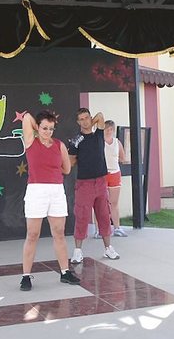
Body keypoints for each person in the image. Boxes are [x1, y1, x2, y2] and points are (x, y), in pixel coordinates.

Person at [19, 111, 80, 291]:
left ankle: (65, 272)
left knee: (59, 233)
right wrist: (37, 130)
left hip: (56, 191)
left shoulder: (59, 145)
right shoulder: (31, 141)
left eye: (51, 129)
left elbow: (66, 169)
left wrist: (52, 171)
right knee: (32, 234)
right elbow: (26, 117)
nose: (48, 132)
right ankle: (25, 276)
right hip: (36, 191)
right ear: (37, 127)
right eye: (44, 128)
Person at [68, 108, 120, 263]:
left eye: (86, 118)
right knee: (82, 216)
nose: (84, 121)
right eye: (81, 119)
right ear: (77, 122)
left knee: (104, 215)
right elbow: (71, 161)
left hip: (101, 182)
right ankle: (78, 251)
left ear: (90, 118)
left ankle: (108, 248)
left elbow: (101, 116)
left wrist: (92, 123)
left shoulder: (98, 133)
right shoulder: (76, 140)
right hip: (84, 183)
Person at [104, 120, 128, 237]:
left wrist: (115, 159)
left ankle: (117, 227)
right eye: (106, 129)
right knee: (101, 203)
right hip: (102, 174)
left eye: (111, 129)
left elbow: (123, 158)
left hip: (115, 173)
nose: (108, 131)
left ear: (113, 130)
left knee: (114, 202)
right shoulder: (100, 142)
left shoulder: (117, 142)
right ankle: (100, 229)